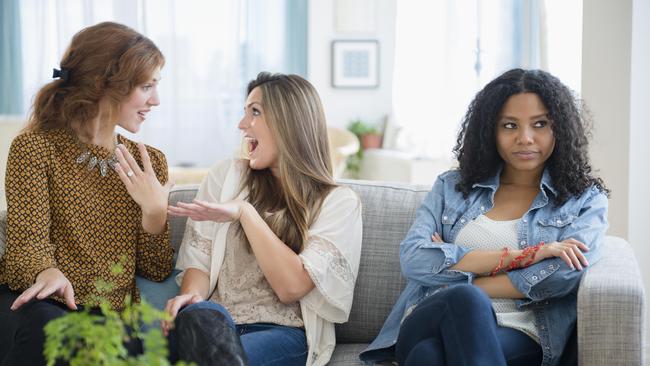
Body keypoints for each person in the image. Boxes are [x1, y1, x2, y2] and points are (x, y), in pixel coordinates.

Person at [360, 68, 609, 366]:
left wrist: (459, 274)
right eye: (509, 125)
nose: (525, 138)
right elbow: (415, 259)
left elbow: (563, 276)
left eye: (540, 124)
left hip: (522, 330)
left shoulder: (585, 199)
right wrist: (529, 256)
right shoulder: (451, 187)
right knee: (467, 301)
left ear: (561, 129)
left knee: (428, 357)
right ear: (490, 130)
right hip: (430, 316)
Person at [0, 22, 174, 365]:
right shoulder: (35, 148)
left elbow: (156, 270)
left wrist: (155, 213)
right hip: (38, 307)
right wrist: (47, 271)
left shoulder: (149, 163)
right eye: (146, 86)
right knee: (52, 331)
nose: (156, 100)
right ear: (103, 85)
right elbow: (26, 245)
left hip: (108, 320)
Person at [165, 72, 363, 366]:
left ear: (288, 123)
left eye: (254, 112)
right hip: (212, 323)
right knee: (199, 316)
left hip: (279, 332)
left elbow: (291, 287)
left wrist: (245, 212)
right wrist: (190, 296)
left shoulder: (338, 202)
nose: (241, 124)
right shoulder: (225, 176)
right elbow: (200, 261)